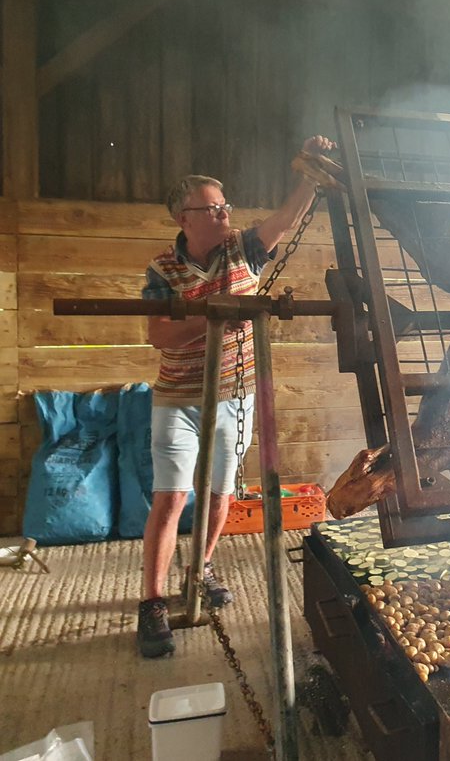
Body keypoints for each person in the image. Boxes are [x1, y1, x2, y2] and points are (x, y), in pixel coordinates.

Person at [136, 135, 336, 659]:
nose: (226, 214)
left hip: (234, 396)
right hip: (178, 398)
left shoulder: (243, 249)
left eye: (226, 206)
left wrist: (308, 178)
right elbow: (160, 335)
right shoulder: (163, 269)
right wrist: (220, 311)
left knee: (223, 493)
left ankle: (199, 569)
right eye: (214, 208)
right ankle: (152, 602)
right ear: (185, 217)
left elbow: (286, 221)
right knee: (173, 497)